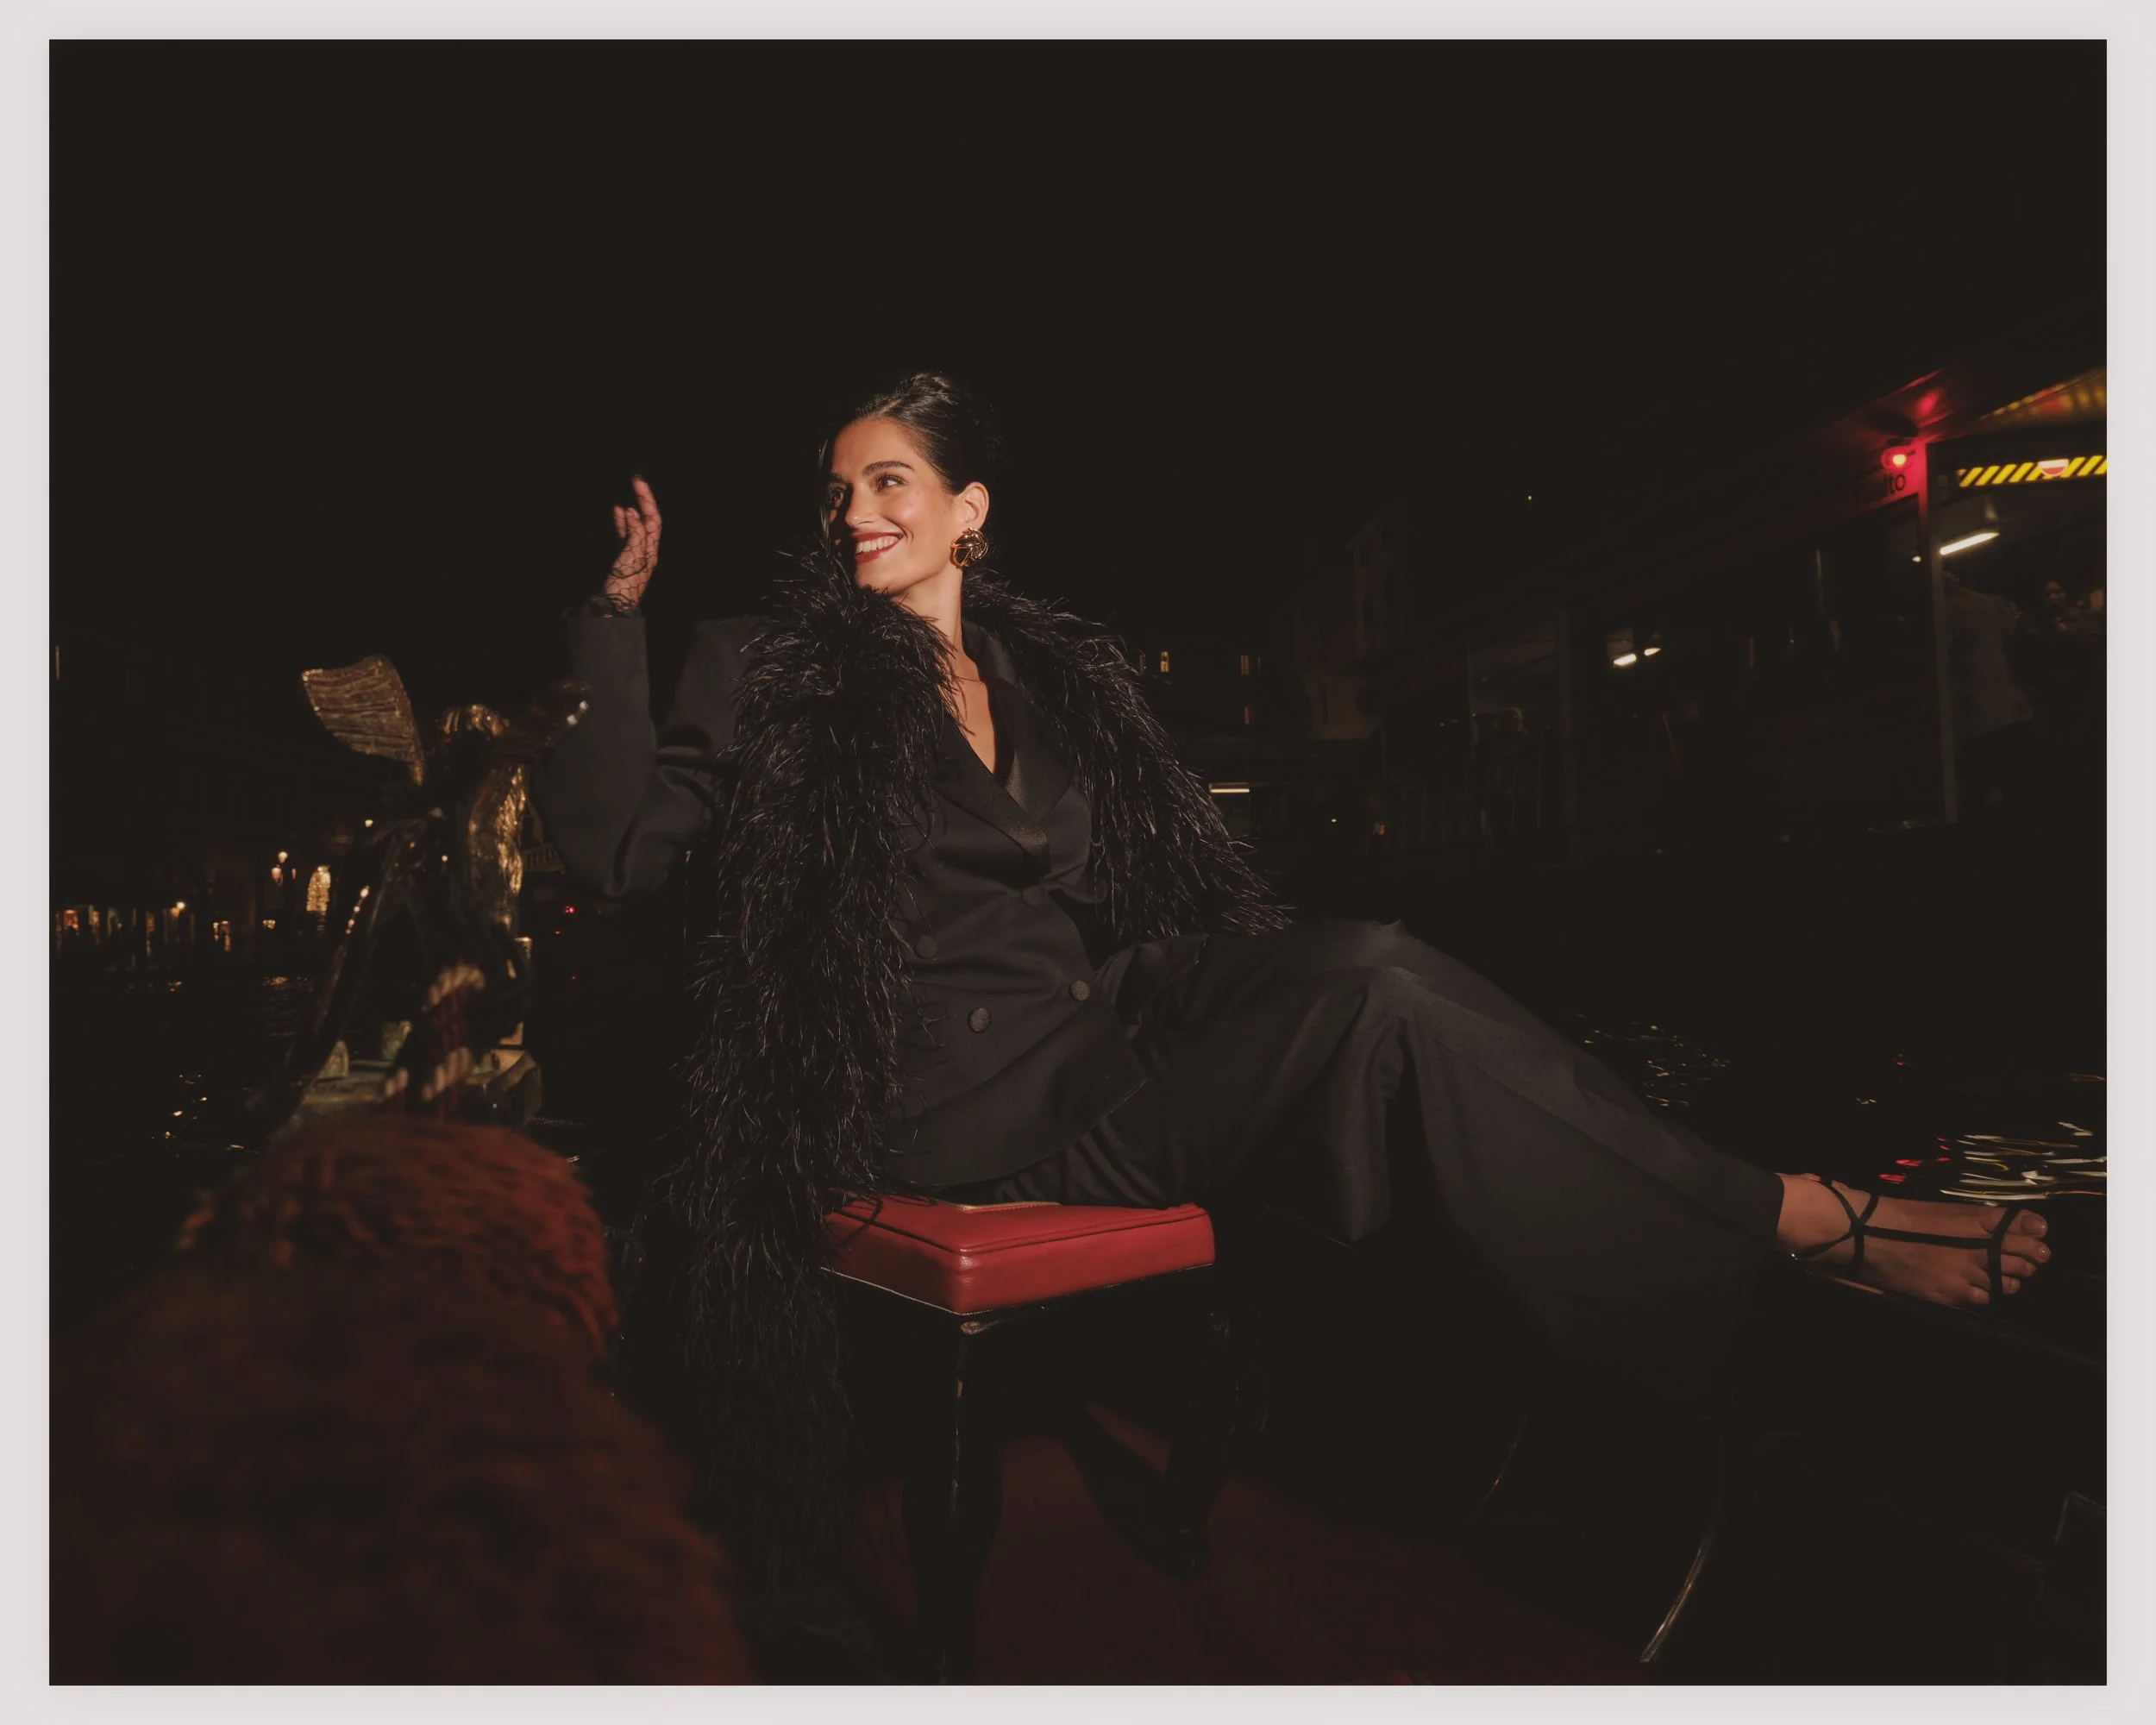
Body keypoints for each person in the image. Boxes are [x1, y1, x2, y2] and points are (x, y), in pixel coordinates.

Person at [533, 374, 2051, 1583]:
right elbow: (614, 847)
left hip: (1104, 1026)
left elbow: (1103, 903)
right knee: (1370, 1011)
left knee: (1375, 958)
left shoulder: (1040, 684)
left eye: (890, 483)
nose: (855, 513)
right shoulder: (770, 666)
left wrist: (1194, 972)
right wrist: (612, 625)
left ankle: (1717, 1260)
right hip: (957, 1110)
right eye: (839, 490)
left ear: (968, 512)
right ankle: (1800, 1218)